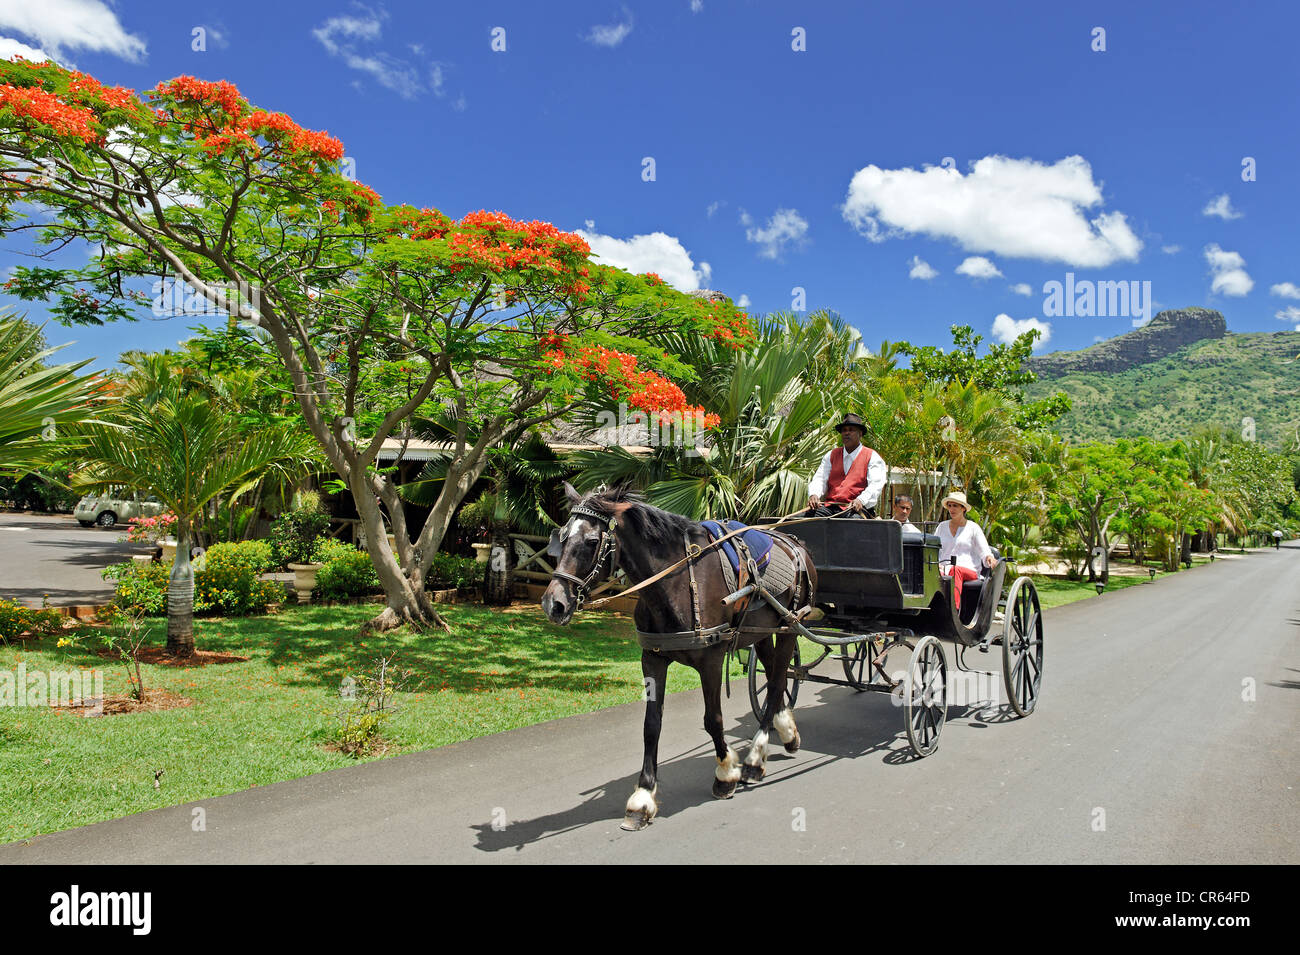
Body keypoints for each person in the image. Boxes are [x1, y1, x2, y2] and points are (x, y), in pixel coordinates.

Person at [806, 413, 888, 518]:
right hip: (830, 507)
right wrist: (814, 494)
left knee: (852, 524)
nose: (846, 433)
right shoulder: (831, 455)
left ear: (860, 433)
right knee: (807, 518)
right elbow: (820, 479)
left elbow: (875, 486)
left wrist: (861, 500)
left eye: (851, 430)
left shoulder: (872, 457)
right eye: (844, 430)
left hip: (855, 509)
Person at [936, 490, 995, 612]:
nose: (952, 509)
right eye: (950, 506)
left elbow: (984, 550)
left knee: (955, 569)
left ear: (963, 508)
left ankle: (954, 610)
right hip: (944, 569)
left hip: (969, 570)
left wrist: (989, 557)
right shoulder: (942, 527)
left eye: (955, 506)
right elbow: (934, 549)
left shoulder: (973, 528)